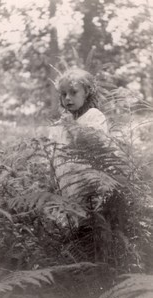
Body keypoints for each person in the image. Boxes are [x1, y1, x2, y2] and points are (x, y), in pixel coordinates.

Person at [49, 67, 109, 201]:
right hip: (64, 185)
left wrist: (72, 125)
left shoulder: (94, 116)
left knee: (88, 217)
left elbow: (96, 144)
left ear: (87, 92)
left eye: (73, 92)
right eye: (64, 94)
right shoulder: (58, 125)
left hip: (87, 185)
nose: (68, 98)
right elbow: (50, 155)